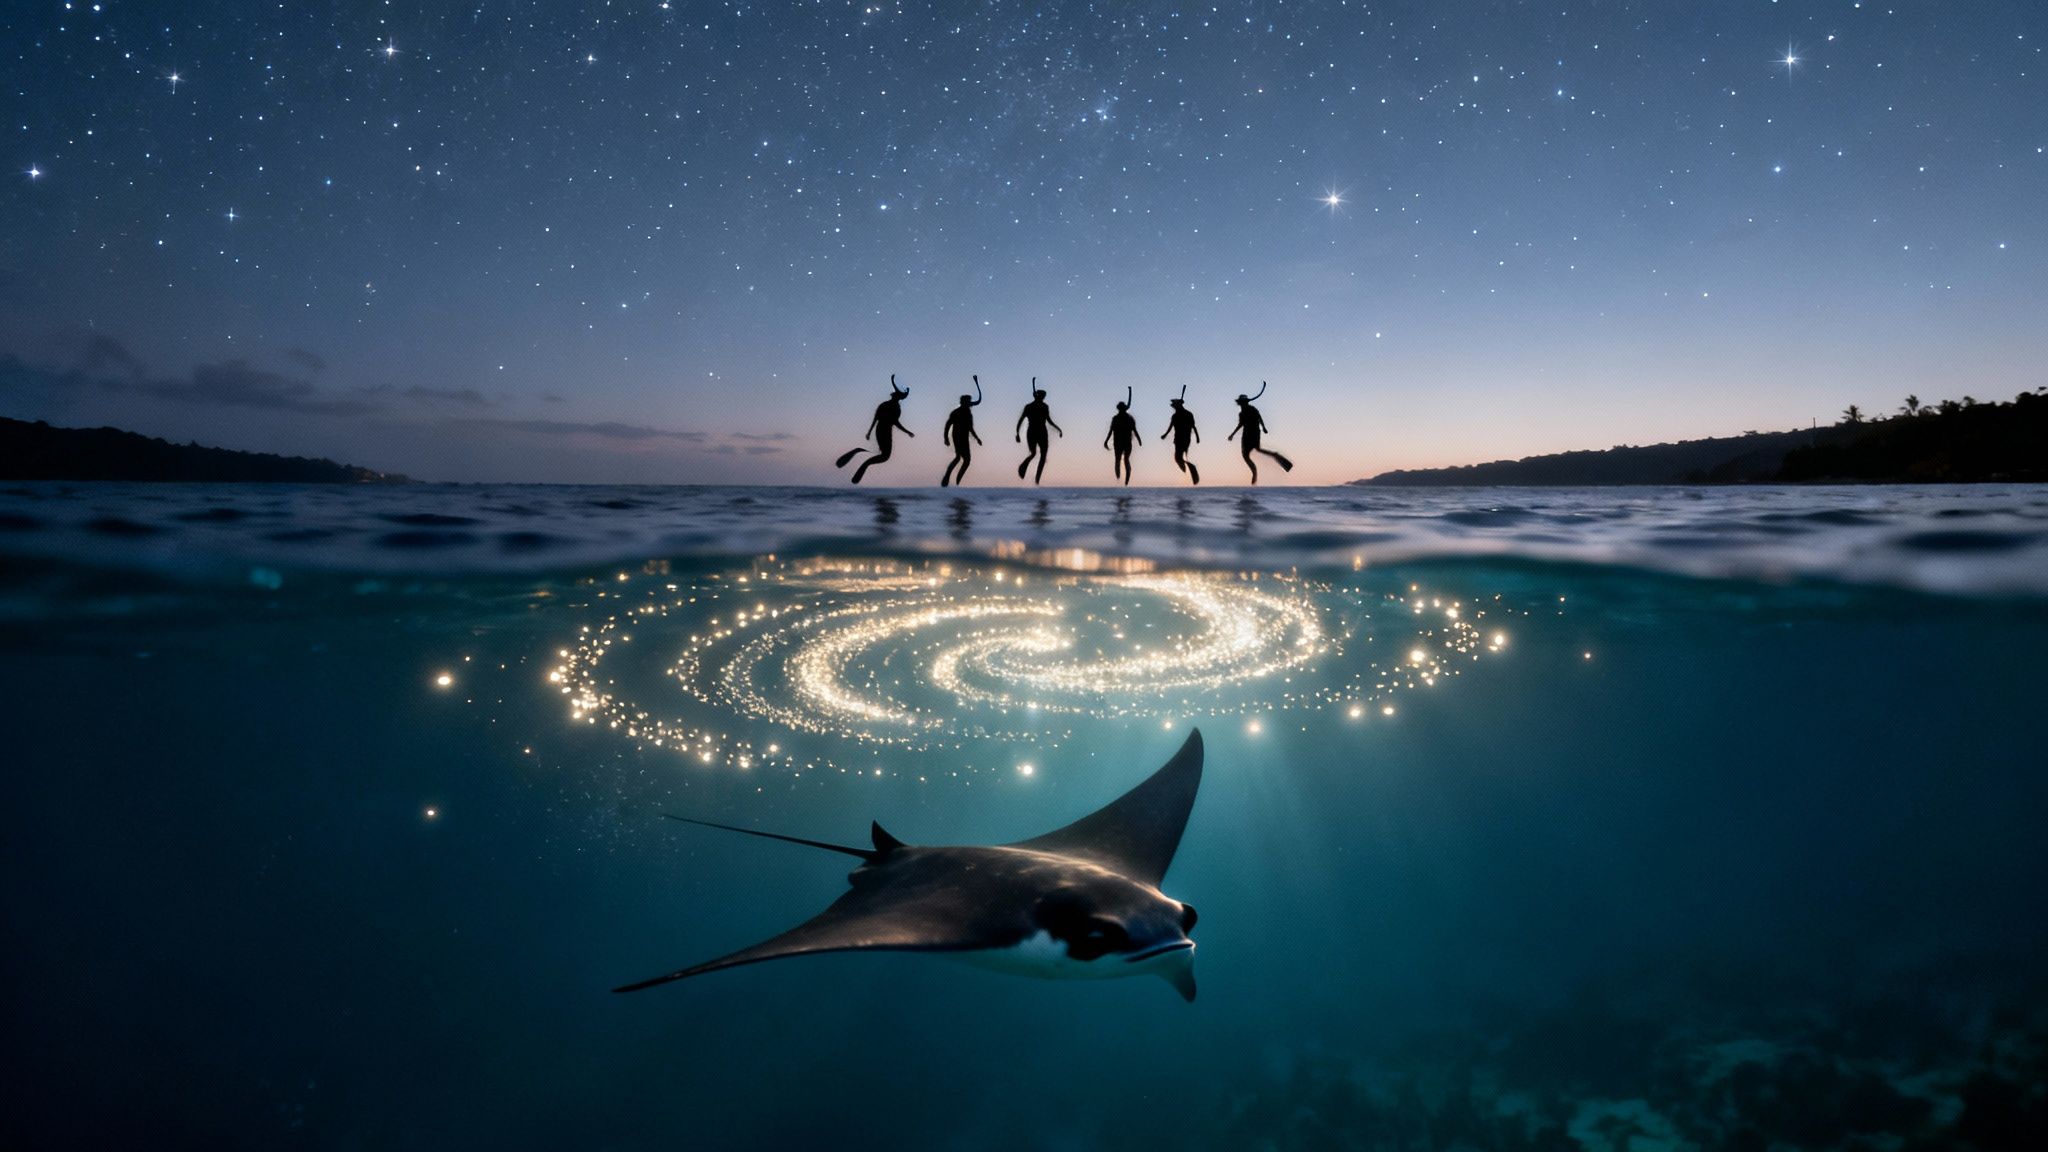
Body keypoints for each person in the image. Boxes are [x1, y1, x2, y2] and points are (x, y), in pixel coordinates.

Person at [836, 375, 913, 485]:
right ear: (899, 397)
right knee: (885, 456)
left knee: (882, 454)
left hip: (879, 430)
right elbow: (895, 422)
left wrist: (870, 431)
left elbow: (876, 418)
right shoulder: (896, 408)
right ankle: (865, 463)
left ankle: (862, 455)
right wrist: (907, 432)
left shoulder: (884, 404)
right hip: (885, 431)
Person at [1226, 381, 1294, 484]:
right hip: (1251, 433)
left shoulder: (1250, 410)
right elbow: (1245, 423)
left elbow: (1254, 419)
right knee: (1250, 453)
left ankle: (1256, 473)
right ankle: (1257, 472)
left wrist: (1264, 427)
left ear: (1244, 403)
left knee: (1249, 453)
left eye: (1241, 403)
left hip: (1252, 433)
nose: (1241, 404)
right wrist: (1263, 427)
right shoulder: (1245, 412)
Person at [1014, 378, 1063, 485]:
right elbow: (1021, 420)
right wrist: (1017, 433)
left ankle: (1037, 480)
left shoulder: (1043, 407)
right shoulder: (1030, 407)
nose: (1043, 398)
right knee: (1034, 453)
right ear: (1038, 396)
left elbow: (1049, 421)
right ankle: (1025, 466)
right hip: (1033, 432)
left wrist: (1058, 429)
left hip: (1040, 432)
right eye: (1042, 396)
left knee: (1041, 455)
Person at [941, 376, 984, 487]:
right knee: (961, 458)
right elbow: (948, 424)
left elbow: (970, 428)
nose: (970, 404)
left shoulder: (966, 412)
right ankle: (954, 479)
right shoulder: (957, 412)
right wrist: (946, 438)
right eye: (968, 402)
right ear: (964, 402)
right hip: (959, 437)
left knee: (964, 459)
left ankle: (956, 480)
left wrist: (977, 438)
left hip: (962, 437)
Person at [1161, 386, 1201, 485]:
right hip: (1179, 439)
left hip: (1184, 438)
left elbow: (1193, 426)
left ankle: (1189, 468)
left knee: (1178, 457)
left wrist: (1197, 436)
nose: (1174, 407)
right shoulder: (1176, 416)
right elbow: (1171, 427)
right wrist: (1165, 435)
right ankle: (1186, 470)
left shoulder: (1188, 414)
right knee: (1178, 458)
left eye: (1174, 406)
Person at [1102, 386, 1142, 485]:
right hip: (1121, 443)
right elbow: (1111, 430)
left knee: (1121, 460)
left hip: (1123, 442)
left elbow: (1134, 430)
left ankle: (1122, 478)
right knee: (1122, 460)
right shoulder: (1121, 418)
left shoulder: (1123, 418)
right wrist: (1106, 441)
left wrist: (1139, 440)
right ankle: (1121, 478)